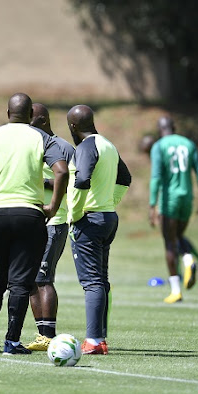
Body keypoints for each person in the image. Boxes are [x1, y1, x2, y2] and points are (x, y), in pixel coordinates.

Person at [0, 92, 68, 356]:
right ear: (31, 115)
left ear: (8, 114)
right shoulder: (42, 137)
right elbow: (62, 171)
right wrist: (52, 206)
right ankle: (12, 342)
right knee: (20, 283)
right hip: (29, 216)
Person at [66, 105, 131, 355]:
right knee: (101, 280)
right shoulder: (108, 145)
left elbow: (82, 179)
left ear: (73, 126)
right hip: (107, 218)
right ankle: (100, 338)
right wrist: (110, 203)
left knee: (92, 282)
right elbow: (125, 178)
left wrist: (76, 212)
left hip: (89, 221)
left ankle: (93, 340)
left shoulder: (86, 147)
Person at [24, 103, 74, 351]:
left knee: (44, 278)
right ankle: (42, 335)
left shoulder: (62, 147)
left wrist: (37, 180)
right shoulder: (32, 144)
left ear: (42, 120)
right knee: (33, 280)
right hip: (33, 221)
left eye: (30, 121)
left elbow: (70, 180)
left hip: (54, 221)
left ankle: (50, 334)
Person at [148, 116, 198, 304]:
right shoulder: (188, 144)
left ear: (160, 129)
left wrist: (152, 205)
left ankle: (176, 291)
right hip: (187, 199)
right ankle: (189, 258)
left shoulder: (159, 146)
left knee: (169, 243)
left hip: (170, 200)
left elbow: (156, 177)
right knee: (179, 236)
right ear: (174, 127)